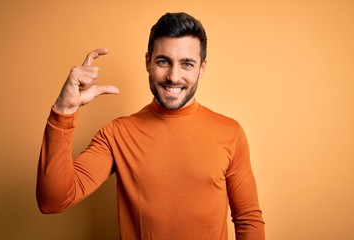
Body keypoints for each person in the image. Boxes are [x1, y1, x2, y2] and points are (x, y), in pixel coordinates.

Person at [36, 12, 265, 240]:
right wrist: (64, 111)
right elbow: (53, 201)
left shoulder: (230, 133)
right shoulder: (117, 134)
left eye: (187, 64)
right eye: (163, 61)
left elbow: (247, 219)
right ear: (148, 62)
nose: (174, 77)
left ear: (202, 67)